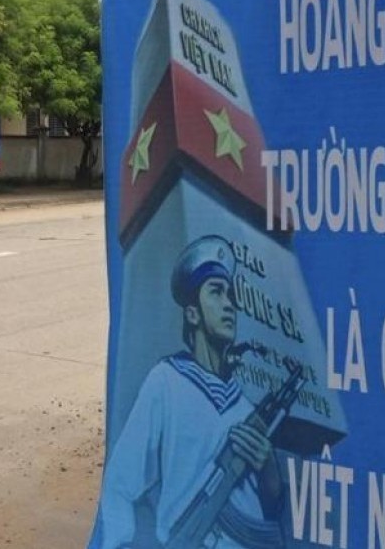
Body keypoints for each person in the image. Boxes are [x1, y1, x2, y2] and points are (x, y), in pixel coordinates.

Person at [97, 235, 284, 549]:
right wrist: (117, 543)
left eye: (231, 295)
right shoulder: (166, 383)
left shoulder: (245, 408)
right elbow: (120, 483)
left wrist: (268, 468)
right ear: (193, 313)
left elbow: (272, 510)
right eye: (216, 292)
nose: (229, 305)